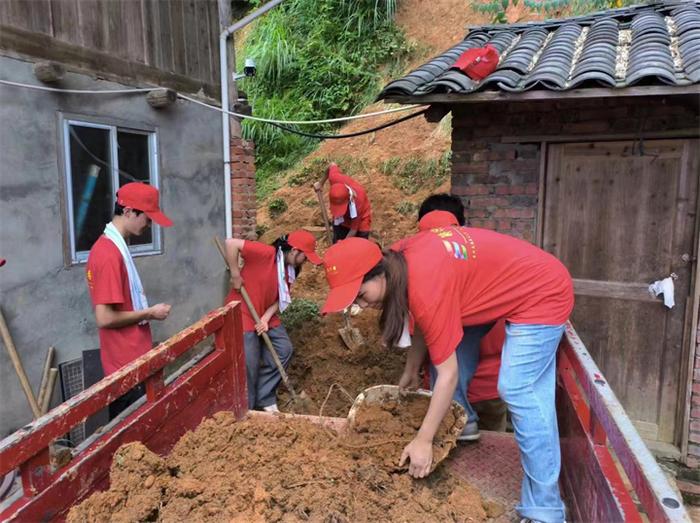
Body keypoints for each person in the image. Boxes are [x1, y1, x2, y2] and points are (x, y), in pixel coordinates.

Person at [320, 231, 573, 523]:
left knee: (518, 388)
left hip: (541, 291)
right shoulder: (397, 260)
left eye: (361, 296)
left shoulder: (424, 281)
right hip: (483, 293)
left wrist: (424, 440)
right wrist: (412, 368)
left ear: (379, 275)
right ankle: (462, 421)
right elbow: (423, 318)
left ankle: (546, 510)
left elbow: (447, 372)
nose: (362, 306)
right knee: (453, 351)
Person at [417, 194, 508, 433]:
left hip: (445, 396)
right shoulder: (491, 260)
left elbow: (424, 336)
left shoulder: (425, 275)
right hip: (495, 385)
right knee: (492, 457)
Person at [86, 182, 173, 419]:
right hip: (125, 369)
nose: (149, 224)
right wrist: (149, 313)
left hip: (133, 361)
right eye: (147, 217)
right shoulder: (108, 254)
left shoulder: (116, 248)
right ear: (128, 212)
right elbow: (104, 318)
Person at [225, 230, 321, 412]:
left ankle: (264, 395)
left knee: (284, 349)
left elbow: (281, 299)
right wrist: (235, 274)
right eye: (305, 257)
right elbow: (231, 243)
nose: (306, 261)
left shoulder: (291, 270)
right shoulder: (265, 253)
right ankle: (248, 408)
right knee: (249, 363)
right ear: (294, 251)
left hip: (265, 312)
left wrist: (265, 319)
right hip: (243, 309)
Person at [313, 163, 371, 243]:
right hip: (342, 220)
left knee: (359, 247)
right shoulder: (335, 178)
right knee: (337, 240)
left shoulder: (358, 200)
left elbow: (353, 230)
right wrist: (321, 183)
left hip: (360, 221)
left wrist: (343, 244)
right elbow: (331, 165)